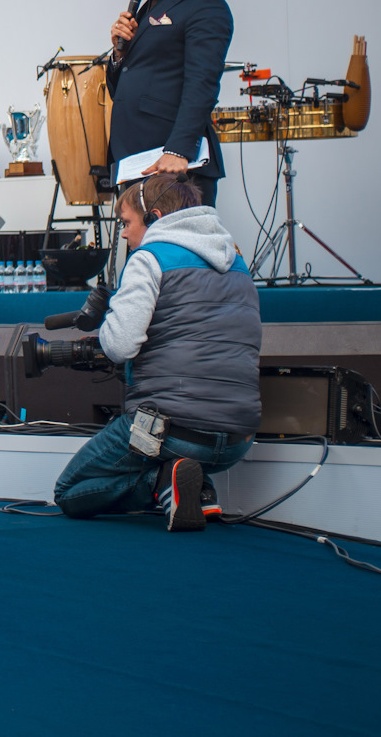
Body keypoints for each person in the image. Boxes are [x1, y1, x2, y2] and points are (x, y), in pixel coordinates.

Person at [52, 175, 260, 530]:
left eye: (126, 223)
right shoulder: (239, 265)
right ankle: (195, 487)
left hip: (170, 434)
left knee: (69, 492)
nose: (123, 234)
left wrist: (110, 319)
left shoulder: (150, 258)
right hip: (238, 442)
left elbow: (119, 346)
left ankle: (163, 481)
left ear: (155, 217)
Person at [107, 0, 231, 205]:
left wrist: (179, 150)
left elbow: (202, 83)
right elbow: (120, 88)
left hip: (173, 165)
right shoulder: (148, 7)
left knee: (178, 237)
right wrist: (119, 55)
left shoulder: (205, 6)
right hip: (137, 161)